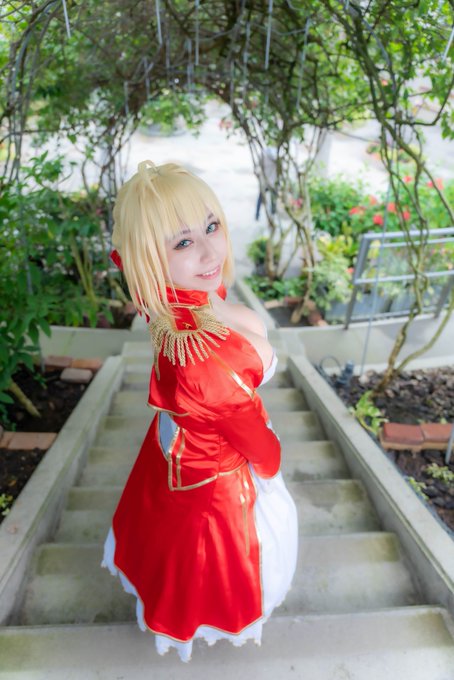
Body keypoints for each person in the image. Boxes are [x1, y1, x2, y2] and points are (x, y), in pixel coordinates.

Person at [102, 160, 298, 662]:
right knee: (211, 567)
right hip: (217, 474)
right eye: (183, 242)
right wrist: (272, 463)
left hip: (179, 450)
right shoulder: (203, 356)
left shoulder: (169, 295)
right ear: (148, 258)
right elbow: (259, 446)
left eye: (212, 226)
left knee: (170, 548)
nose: (211, 252)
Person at [255, 146, 278, 220]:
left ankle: (257, 215)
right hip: (272, 181)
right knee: (272, 199)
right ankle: (272, 214)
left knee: (261, 198)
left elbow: (258, 166)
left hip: (266, 181)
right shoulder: (277, 154)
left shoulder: (263, 153)